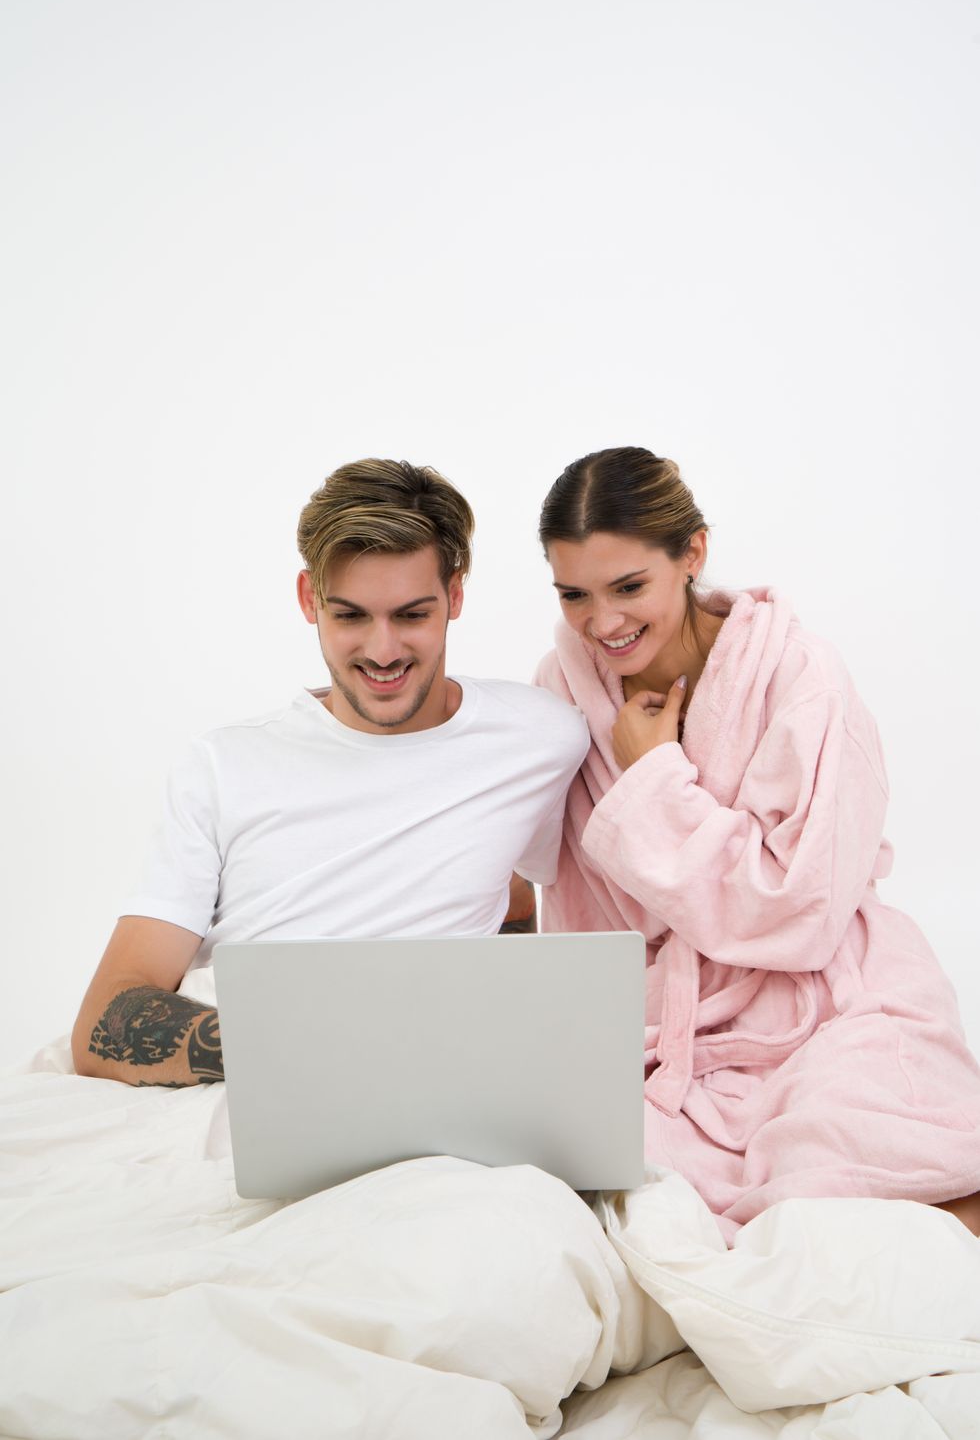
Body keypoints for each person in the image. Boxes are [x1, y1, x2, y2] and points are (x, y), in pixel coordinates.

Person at [534, 445, 980, 1242]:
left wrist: (656, 780)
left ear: (692, 553)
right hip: (668, 1021)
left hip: (832, 991)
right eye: (574, 594)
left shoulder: (802, 676)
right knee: (602, 1194)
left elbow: (799, 909)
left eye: (629, 586)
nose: (602, 622)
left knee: (877, 1163)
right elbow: (568, 894)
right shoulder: (564, 688)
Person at [71, 458, 588, 1087]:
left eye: (411, 614)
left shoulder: (543, 737)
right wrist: (311, 1050)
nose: (383, 650)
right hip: (246, 1085)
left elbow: (512, 894)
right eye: (349, 616)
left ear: (455, 595)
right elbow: (109, 1014)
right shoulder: (221, 766)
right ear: (307, 598)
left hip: (438, 1084)